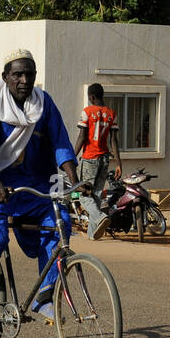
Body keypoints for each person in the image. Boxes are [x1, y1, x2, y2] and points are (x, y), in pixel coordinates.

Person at [0, 50, 87, 323]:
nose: (24, 79)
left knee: (59, 222)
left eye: (29, 74)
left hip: (27, 187)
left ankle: (45, 295)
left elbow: (60, 142)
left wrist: (76, 182)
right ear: (6, 77)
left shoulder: (44, 104)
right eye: (17, 74)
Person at [71, 82, 120, 240]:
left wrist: (71, 157)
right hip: (105, 158)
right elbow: (114, 140)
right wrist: (119, 163)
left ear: (92, 97)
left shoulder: (87, 112)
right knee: (97, 194)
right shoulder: (112, 113)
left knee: (83, 194)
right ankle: (93, 233)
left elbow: (82, 137)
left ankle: (99, 217)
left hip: (90, 158)